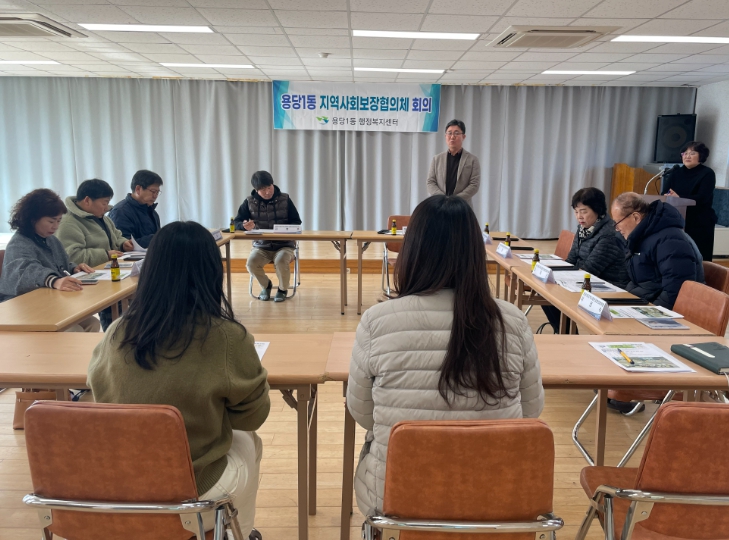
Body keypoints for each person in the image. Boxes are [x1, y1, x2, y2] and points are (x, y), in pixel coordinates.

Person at [346, 195, 544, 515]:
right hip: (494, 499)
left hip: (399, 501)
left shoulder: (376, 322)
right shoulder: (513, 321)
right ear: (475, 253)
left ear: (412, 251)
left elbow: (363, 411)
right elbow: (530, 410)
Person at [87, 221, 270, 540]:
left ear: (150, 271)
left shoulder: (116, 331)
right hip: (191, 488)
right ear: (212, 272)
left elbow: (99, 389)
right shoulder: (227, 337)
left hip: (117, 481)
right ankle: (240, 532)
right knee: (248, 440)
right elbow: (252, 417)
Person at [0, 189, 99, 332]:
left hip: (48, 302)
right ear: (33, 219)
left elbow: (60, 264)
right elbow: (26, 271)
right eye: (51, 221)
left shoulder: (51, 240)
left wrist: (73, 268)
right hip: (22, 307)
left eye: (58, 221)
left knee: (92, 323)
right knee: (74, 330)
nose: (56, 226)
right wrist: (54, 280)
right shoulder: (19, 243)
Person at [542, 187, 629, 333]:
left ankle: (568, 336)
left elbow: (590, 269)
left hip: (607, 285)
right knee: (545, 291)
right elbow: (571, 259)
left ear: (597, 210)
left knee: (553, 293)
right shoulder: (583, 229)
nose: (579, 216)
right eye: (576, 212)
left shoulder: (609, 234)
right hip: (586, 280)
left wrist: (562, 277)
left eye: (584, 211)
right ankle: (565, 334)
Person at [56, 179, 133, 331]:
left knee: (126, 310)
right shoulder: (68, 223)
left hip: (111, 273)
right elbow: (72, 256)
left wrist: (123, 243)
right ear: (87, 200)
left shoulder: (102, 217)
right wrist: (105, 254)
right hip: (92, 281)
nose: (106, 207)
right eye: (104, 203)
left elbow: (116, 236)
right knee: (111, 318)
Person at [612, 192, 704, 310]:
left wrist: (650, 312)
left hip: (667, 311)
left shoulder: (670, 241)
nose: (617, 229)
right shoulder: (641, 236)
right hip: (645, 302)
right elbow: (640, 282)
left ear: (636, 217)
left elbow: (675, 290)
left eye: (618, 222)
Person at [234, 171, 302, 303]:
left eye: (269, 187)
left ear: (273, 184)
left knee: (281, 261)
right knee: (251, 264)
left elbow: (296, 221)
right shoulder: (249, 202)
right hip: (261, 246)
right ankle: (266, 286)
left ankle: (282, 289)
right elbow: (237, 222)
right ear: (256, 190)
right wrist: (243, 226)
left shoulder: (285, 199)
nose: (267, 192)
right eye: (263, 189)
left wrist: (288, 230)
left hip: (284, 245)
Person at [661, 141, 717, 261]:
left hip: (699, 222)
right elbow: (664, 193)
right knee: (678, 255)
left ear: (701, 156)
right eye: (685, 153)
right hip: (676, 220)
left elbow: (702, 197)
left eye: (692, 153)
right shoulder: (675, 172)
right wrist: (668, 196)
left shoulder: (707, 173)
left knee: (699, 257)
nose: (687, 156)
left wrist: (679, 198)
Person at [426, 119, 481, 205]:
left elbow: (474, 185)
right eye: (449, 133)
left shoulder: (472, 160)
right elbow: (430, 182)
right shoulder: (437, 159)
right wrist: (443, 199)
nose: (452, 137)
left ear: (463, 137)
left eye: (456, 133)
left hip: (462, 205)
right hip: (440, 205)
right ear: (445, 136)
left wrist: (455, 200)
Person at [108, 169, 163, 249]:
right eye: (153, 191)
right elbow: (124, 244)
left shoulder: (152, 212)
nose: (155, 196)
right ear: (138, 189)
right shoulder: (121, 211)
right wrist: (157, 237)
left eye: (157, 192)